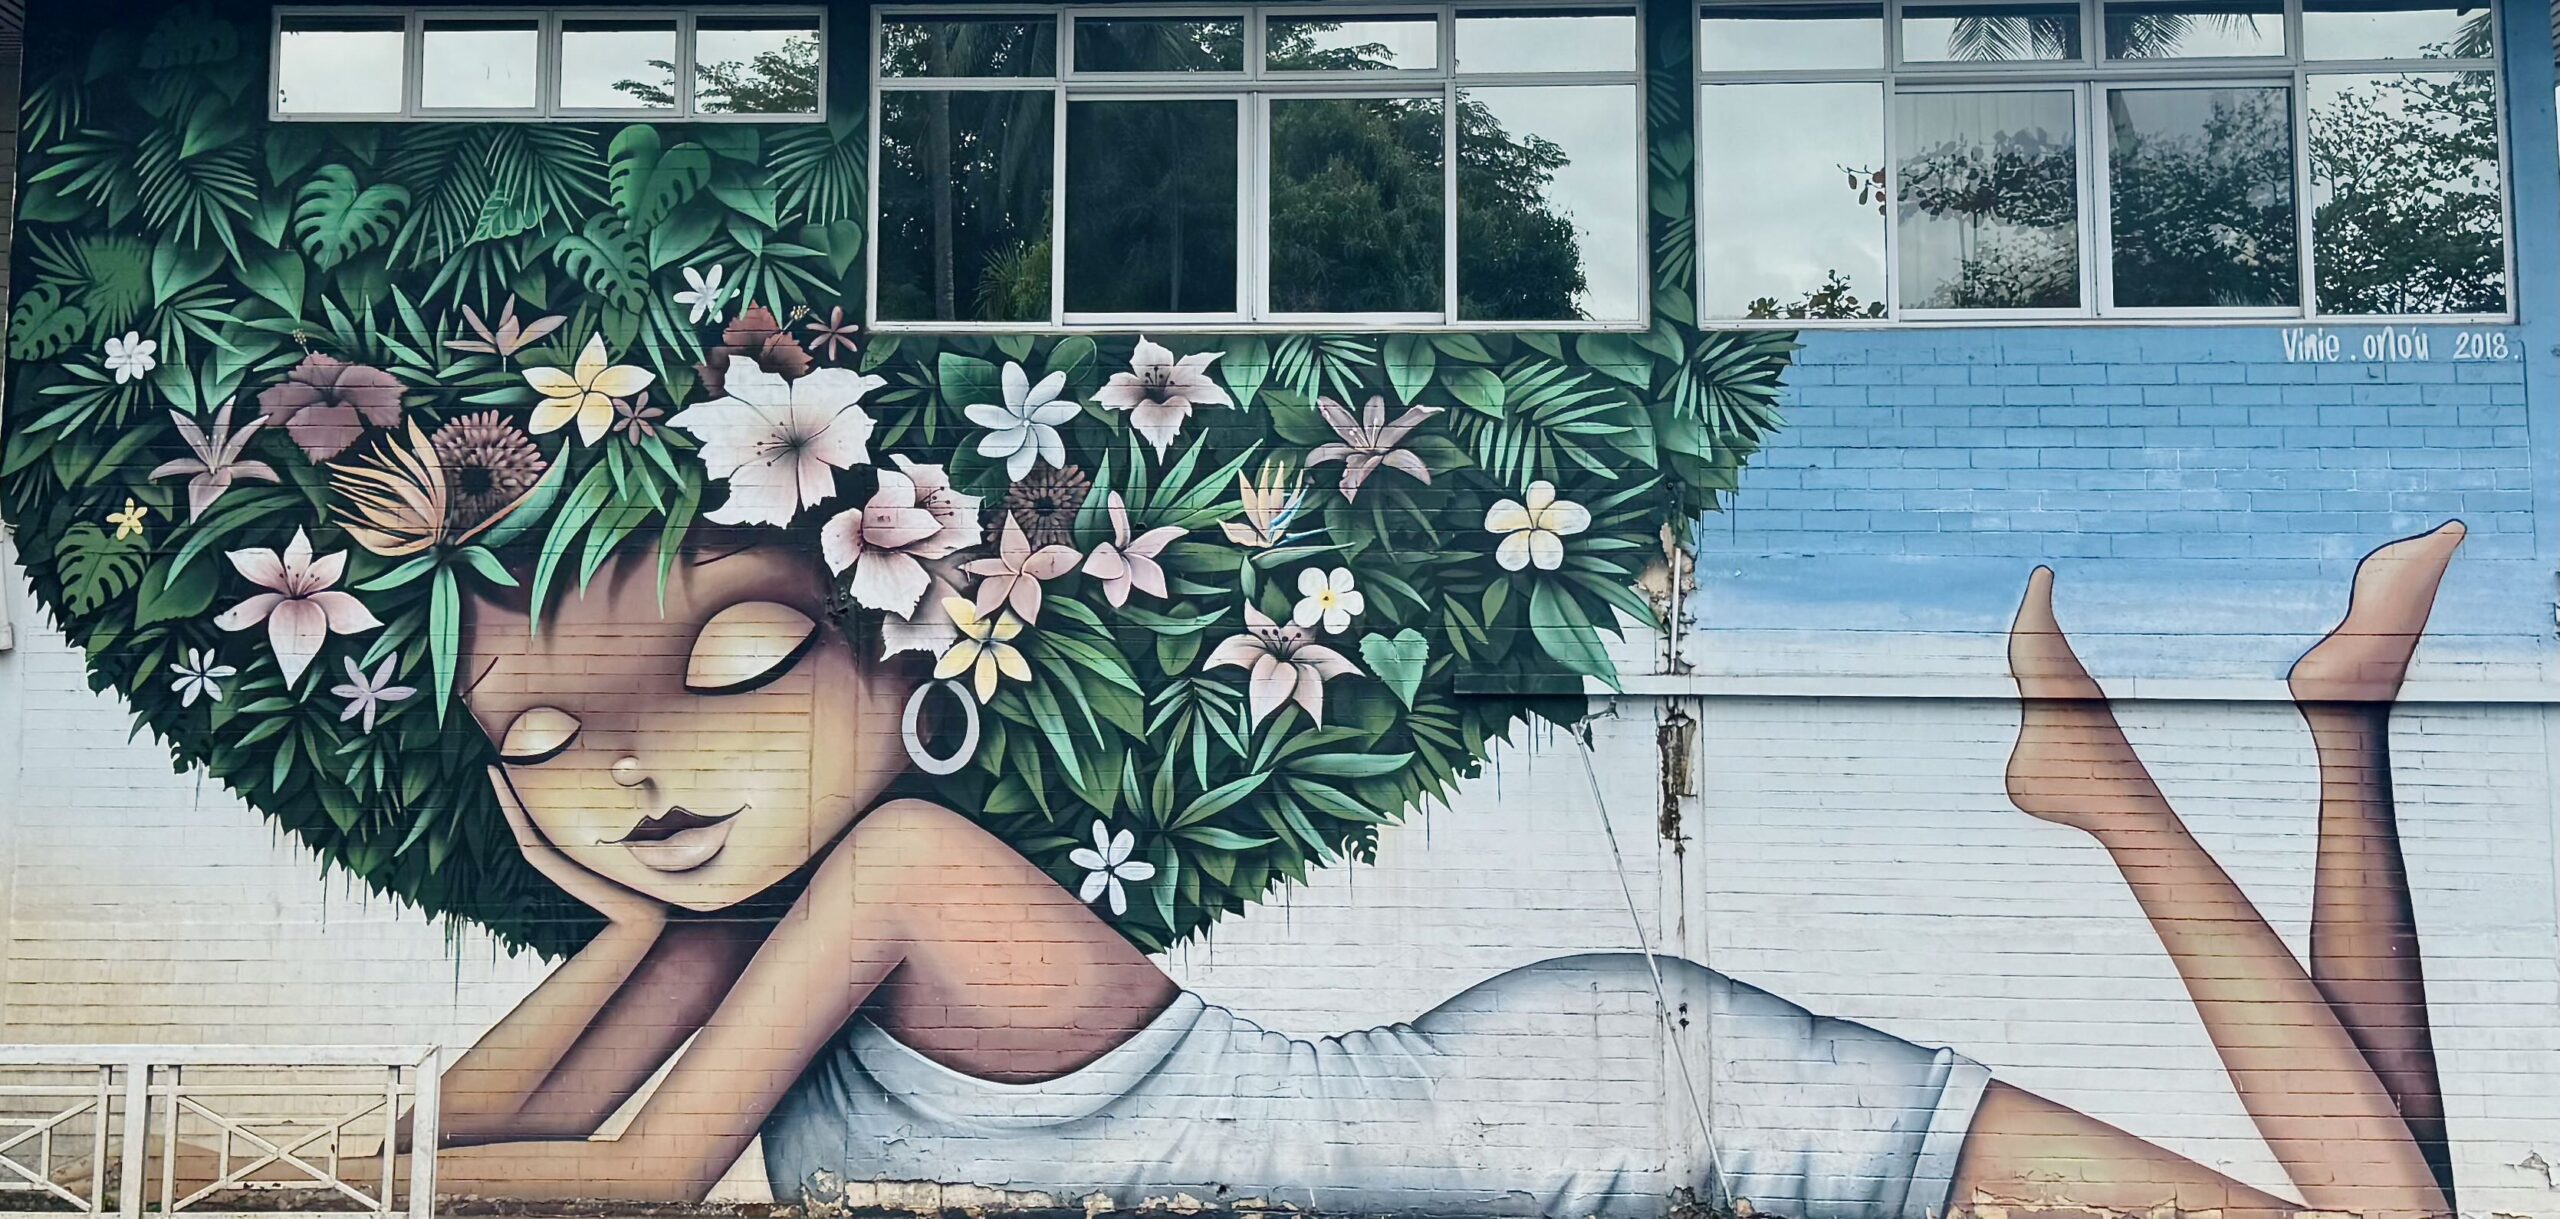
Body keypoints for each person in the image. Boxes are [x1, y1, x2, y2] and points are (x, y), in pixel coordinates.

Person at [433, 523, 2466, 1219]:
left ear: (896, 667)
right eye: (538, 743)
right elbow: (463, 1129)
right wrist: (622, 918)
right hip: (1524, 1099)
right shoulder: (748, 936)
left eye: (736, 662)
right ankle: (2333, 737)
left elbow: (623, 1174)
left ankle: (2116, 786)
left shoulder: (897, 865)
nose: (637, 769)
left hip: (1594, 1101)